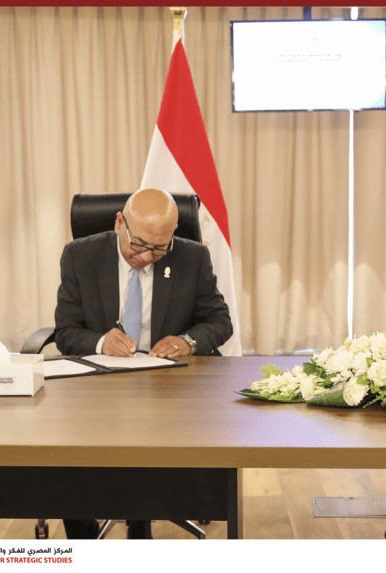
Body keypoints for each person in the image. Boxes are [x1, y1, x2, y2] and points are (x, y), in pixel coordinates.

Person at [54, 187, 233, 539]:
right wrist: (101, 342)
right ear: (120, 223)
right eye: (138, 244)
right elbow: (65, 332)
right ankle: (84, 537)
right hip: (99, 386)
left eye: (160, 248)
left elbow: (220, 321)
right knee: (65, 456)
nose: (147, 256)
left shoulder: (192, 257)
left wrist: (188, 341)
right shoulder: (80, 256)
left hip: (168, 387)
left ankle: (140, 527)